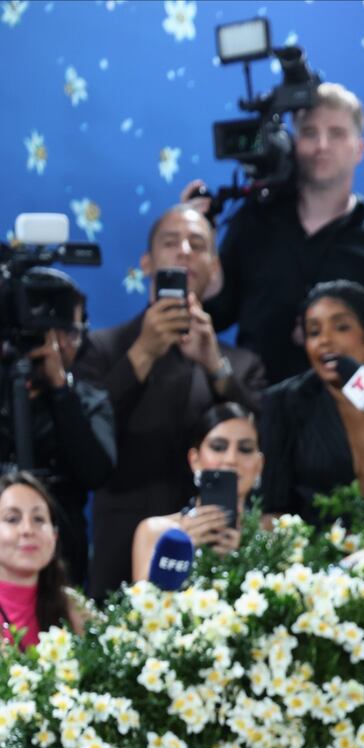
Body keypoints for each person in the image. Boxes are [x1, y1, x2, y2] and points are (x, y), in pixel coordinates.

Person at [76, 206, 265, 600]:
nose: (183, 251)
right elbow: (83, 444)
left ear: (214, 268)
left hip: (219, 544)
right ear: (147, 262)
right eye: (170, 242)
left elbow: (264, 437)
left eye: (198, 245)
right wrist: (142, 353)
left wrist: (216, 367)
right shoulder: (102, 348)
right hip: (118, 549)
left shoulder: (241, 363)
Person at [193, 84, 364, 386]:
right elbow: (215, 315)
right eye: (309, 133)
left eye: (336, 133)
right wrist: (200, 249)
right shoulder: (252, 222)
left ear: (359, 148)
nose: (322, 144)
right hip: (257, 406)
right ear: (294, 144)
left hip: (355, 417)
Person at [2, 268, 116, 586]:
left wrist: (60, 391)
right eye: (46, 331)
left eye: (72, 332)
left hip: (63, 559)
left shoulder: (89, 400)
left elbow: (97, 471)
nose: (58, 344)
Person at [259, 280, 364, 514]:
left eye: (341, 327)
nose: (325, 340)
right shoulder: (283, 404)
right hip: (314, 548)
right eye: (314, 332)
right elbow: (271, 509)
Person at [130, 403, 264, 582]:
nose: (231, 459)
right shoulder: (157, 532)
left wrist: (242, 557)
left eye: (245, 449)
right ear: (195, 460)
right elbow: (142, 601)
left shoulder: (273, 535)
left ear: (259, 465)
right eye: (218, 447)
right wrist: (181, 548)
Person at [0, 470, 89, 649]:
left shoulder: (72, 605)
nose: (28, 529)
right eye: (12, 519)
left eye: (38, 519)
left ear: (54, 536)